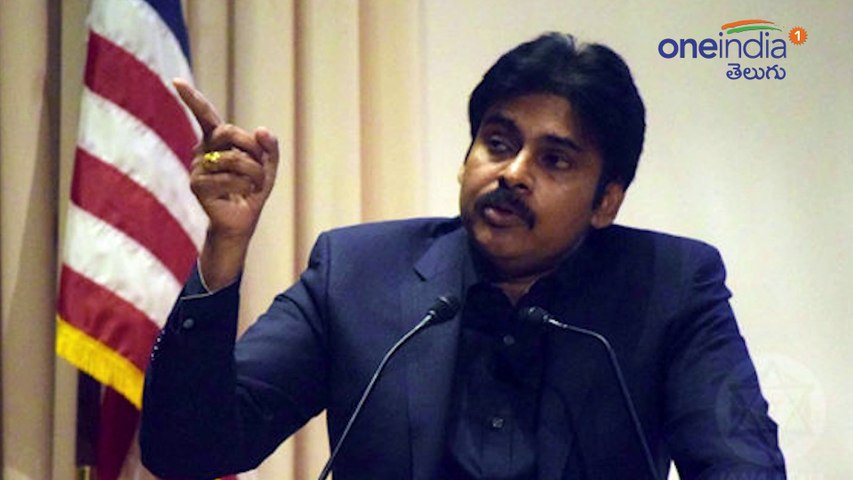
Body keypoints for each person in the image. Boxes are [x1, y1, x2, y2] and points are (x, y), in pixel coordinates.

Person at [140, 33, 786, 479]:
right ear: (466, 156)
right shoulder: (357, 274)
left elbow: (741, 463)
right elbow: (188, 450)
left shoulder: (669, 289)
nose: (514, 173)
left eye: (555, 160)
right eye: (498, 143)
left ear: (605, 202)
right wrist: (225, 246)